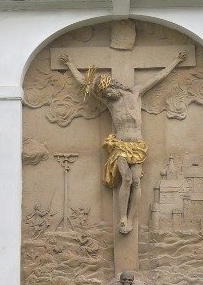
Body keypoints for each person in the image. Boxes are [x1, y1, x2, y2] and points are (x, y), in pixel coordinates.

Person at [60, 50, 185, 235]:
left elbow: (159, 77)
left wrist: (176, 60)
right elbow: (84, 83)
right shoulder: (110, 103)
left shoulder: (136, 93)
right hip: (120, 145)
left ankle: (132, 217)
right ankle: (123, 217)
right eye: (105, 94)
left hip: (138, 146)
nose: (108, 95)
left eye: (108, 91)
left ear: (113, 86)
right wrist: (70, 64)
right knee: (126, 178)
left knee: (136, 181)